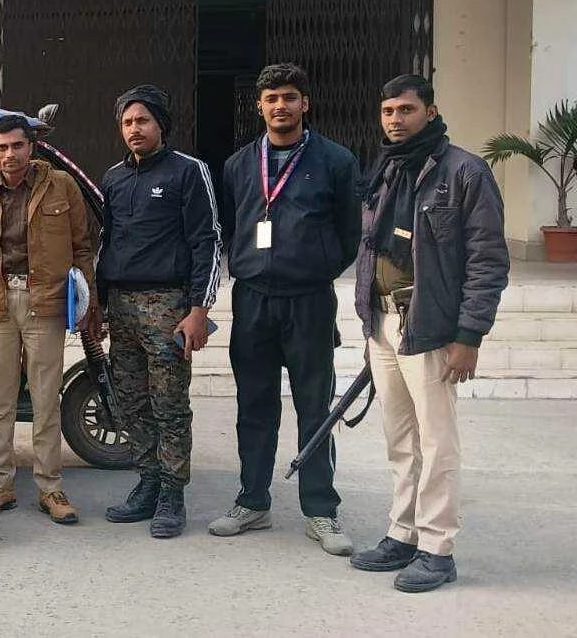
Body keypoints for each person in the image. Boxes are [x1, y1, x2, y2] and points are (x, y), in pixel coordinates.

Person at [349, 74, 508, 593]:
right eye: (388, 110)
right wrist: (370, 322)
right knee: (400, 439)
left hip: (433, 326)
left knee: (437, 442)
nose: (395, 119)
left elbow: (487, 260)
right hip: (384, 324)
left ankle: (437, 548)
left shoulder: (466, 172)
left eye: (406, 110)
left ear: (431, 112)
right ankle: (402, 532)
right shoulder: (386, 168)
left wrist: (470, 334)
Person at [209, 64, 361, 555]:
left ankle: (321, 511)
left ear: (305, 104)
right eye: (272, 97)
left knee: (315, 406)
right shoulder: (237, 164)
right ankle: (252, 501)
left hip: (309, 301)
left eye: (290, 97)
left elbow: (348, 235)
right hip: (252, 299)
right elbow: (236, 223)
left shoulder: (335, 161)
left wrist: (311, 268)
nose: (281, 106)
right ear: (259, 105)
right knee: (254, 405)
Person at [0, 113, 96, 526]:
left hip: (45, 303)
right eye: (1, 147)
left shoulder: (61, 187)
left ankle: (51, 488)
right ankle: (0, 484)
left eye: (17, 145)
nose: (9, 154)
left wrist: (87, 304)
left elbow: (81, 248)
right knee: (0, 400)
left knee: (45, 397)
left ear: (31, 146)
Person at [98, 85, 221, 539]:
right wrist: (97, 302)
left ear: (161, 125)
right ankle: (147, 482)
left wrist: (198, 310)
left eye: (143, 121)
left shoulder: (189, 172)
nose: (135, 129)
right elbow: (104, 243)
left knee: (169, 403)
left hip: (169, 308)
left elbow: (207, 240)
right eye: (128, 122)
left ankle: (173, 493)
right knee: (130, 401)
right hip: (122, 309)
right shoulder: (112, 178)